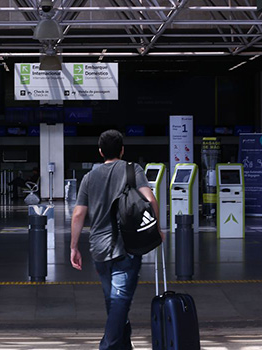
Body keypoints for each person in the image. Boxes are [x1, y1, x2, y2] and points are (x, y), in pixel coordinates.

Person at [70, 129, 165, 350]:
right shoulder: (133, 170)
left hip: (99, 250)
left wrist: (74, 247)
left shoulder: (89, 177)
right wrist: (157, 229)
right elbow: (151, 199)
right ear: (122, 150)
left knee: (113, 302)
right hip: (127, 246)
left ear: (101, 151)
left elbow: (78, 214)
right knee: (119, 302)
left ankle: (123, 345)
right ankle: (108, 346)